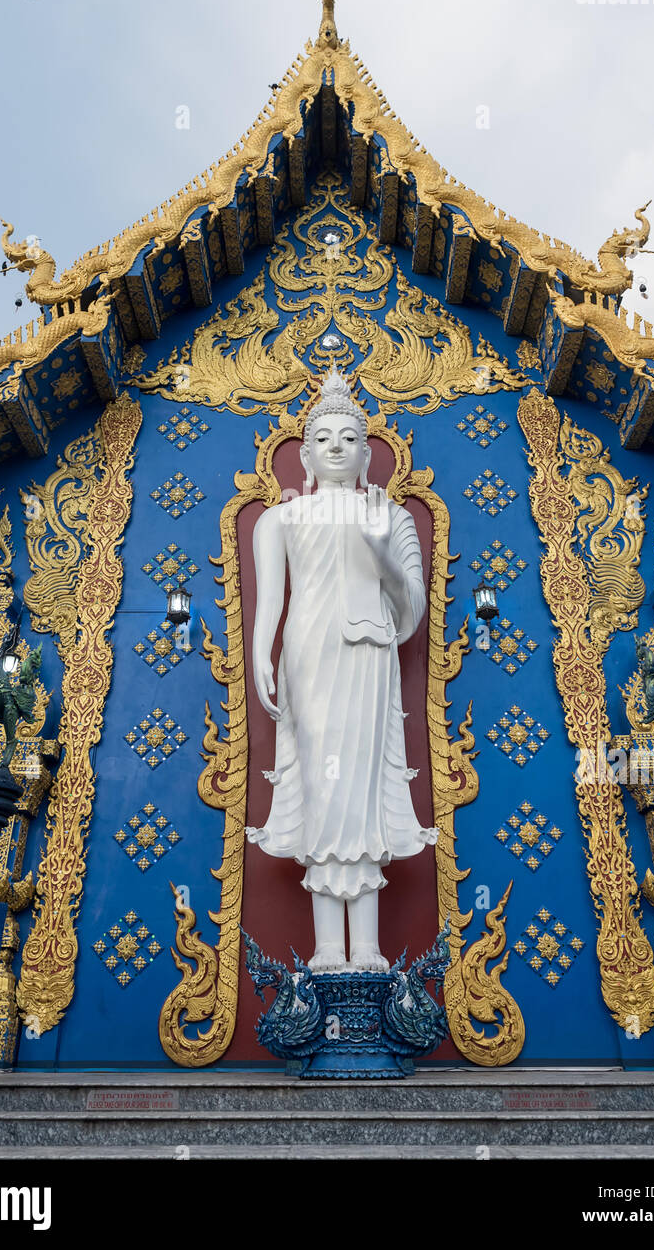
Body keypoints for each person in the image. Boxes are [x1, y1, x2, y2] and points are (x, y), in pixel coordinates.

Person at [246, 371, 437, 973]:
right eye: (323, 437)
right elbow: (270, 603)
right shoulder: (280, 521)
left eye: (347, 437)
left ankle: (370, 950)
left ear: (366, 454)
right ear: (304, 454)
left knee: (362, 789)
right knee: (324, 789)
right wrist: (261, 654)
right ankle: (330, 949)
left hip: (369, 653)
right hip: (309, 654)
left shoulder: (391, 517)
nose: (335, 446)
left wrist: (379, 547)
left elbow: (412, 610)